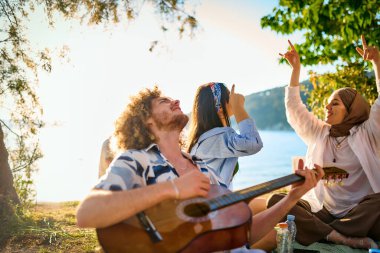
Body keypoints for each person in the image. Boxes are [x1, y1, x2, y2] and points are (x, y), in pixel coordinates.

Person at [76, 86, 324, 251]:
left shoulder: (205, 170)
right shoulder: (137, 160)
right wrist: (173, 188)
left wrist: (292, 197)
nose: (176, 101)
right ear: (147, 121)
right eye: (164, 101)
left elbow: (243, 235)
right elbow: (87, 213)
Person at [255, 35, 380, 251]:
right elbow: (295, 110)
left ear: (351, 109)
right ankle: (340, 237)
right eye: (326, 104)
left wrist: (377, 63)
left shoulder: (368, 132)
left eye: (335, 103)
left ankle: (321, 231)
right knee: (276, 200)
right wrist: (295, 69)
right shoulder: (320, 132)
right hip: (323, 210)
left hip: (357, 212)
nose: (327, 108)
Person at [187, 82, 263, 188]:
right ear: (219, 106)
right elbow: (254, 143)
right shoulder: (216, 137)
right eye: (229, 96)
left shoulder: (205, 137)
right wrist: (238, 107)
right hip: (216, 201)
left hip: (215, 199)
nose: (233, 98)